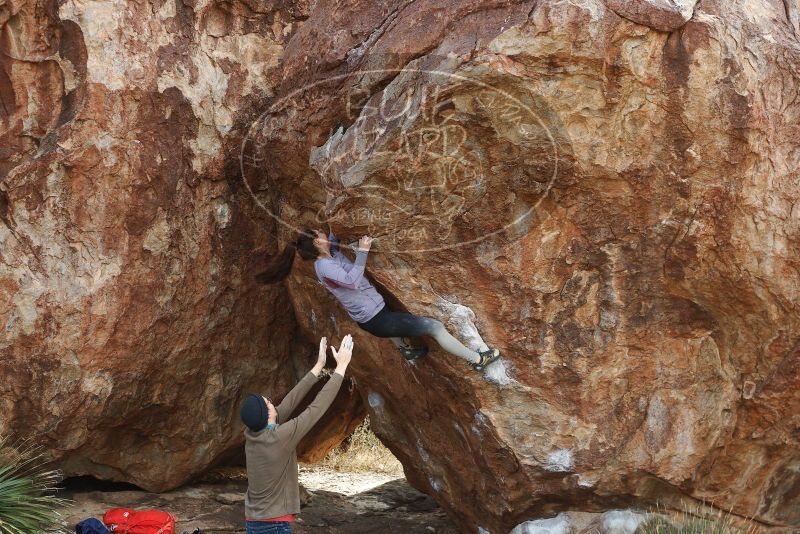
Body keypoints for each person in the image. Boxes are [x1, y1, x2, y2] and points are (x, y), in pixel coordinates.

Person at [256, 229, 500, 371]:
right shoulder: (325, 266)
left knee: (395, 320)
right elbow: (351, 280)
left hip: (375, 313)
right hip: (375, 320)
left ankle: (408, 351)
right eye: (321, 234)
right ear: (318, 244)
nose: (325, 235)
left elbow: (334, 238)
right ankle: (478, 359)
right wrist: (362, 251)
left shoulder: (331, 253)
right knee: (434, 327)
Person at [240, 334, 353, 534]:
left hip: (254, 522)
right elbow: (315, 409)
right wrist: (341, 367)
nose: (273, 402)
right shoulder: (279, 438)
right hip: (273, 526)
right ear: (267, 414)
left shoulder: (253, 433)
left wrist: (319, 365)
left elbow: (289, 402)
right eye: (269, 402)